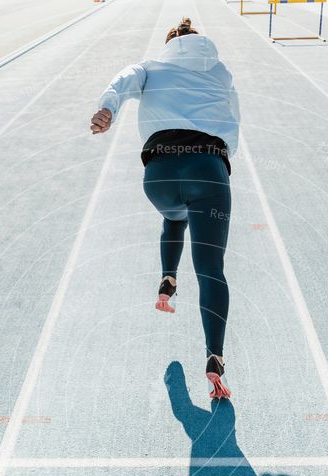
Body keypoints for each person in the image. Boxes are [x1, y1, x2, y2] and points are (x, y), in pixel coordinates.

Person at [91, 17, 240, 398]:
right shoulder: (221, 73)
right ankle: (215, 358)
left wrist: (107, 109)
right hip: (208, 168)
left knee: (174, 216)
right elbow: (232, 121)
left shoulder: (151, 67)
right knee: (210, 271)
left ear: (169, 45)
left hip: (159, 173)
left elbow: (122, 80)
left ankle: (167, 280)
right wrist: (219, 167)